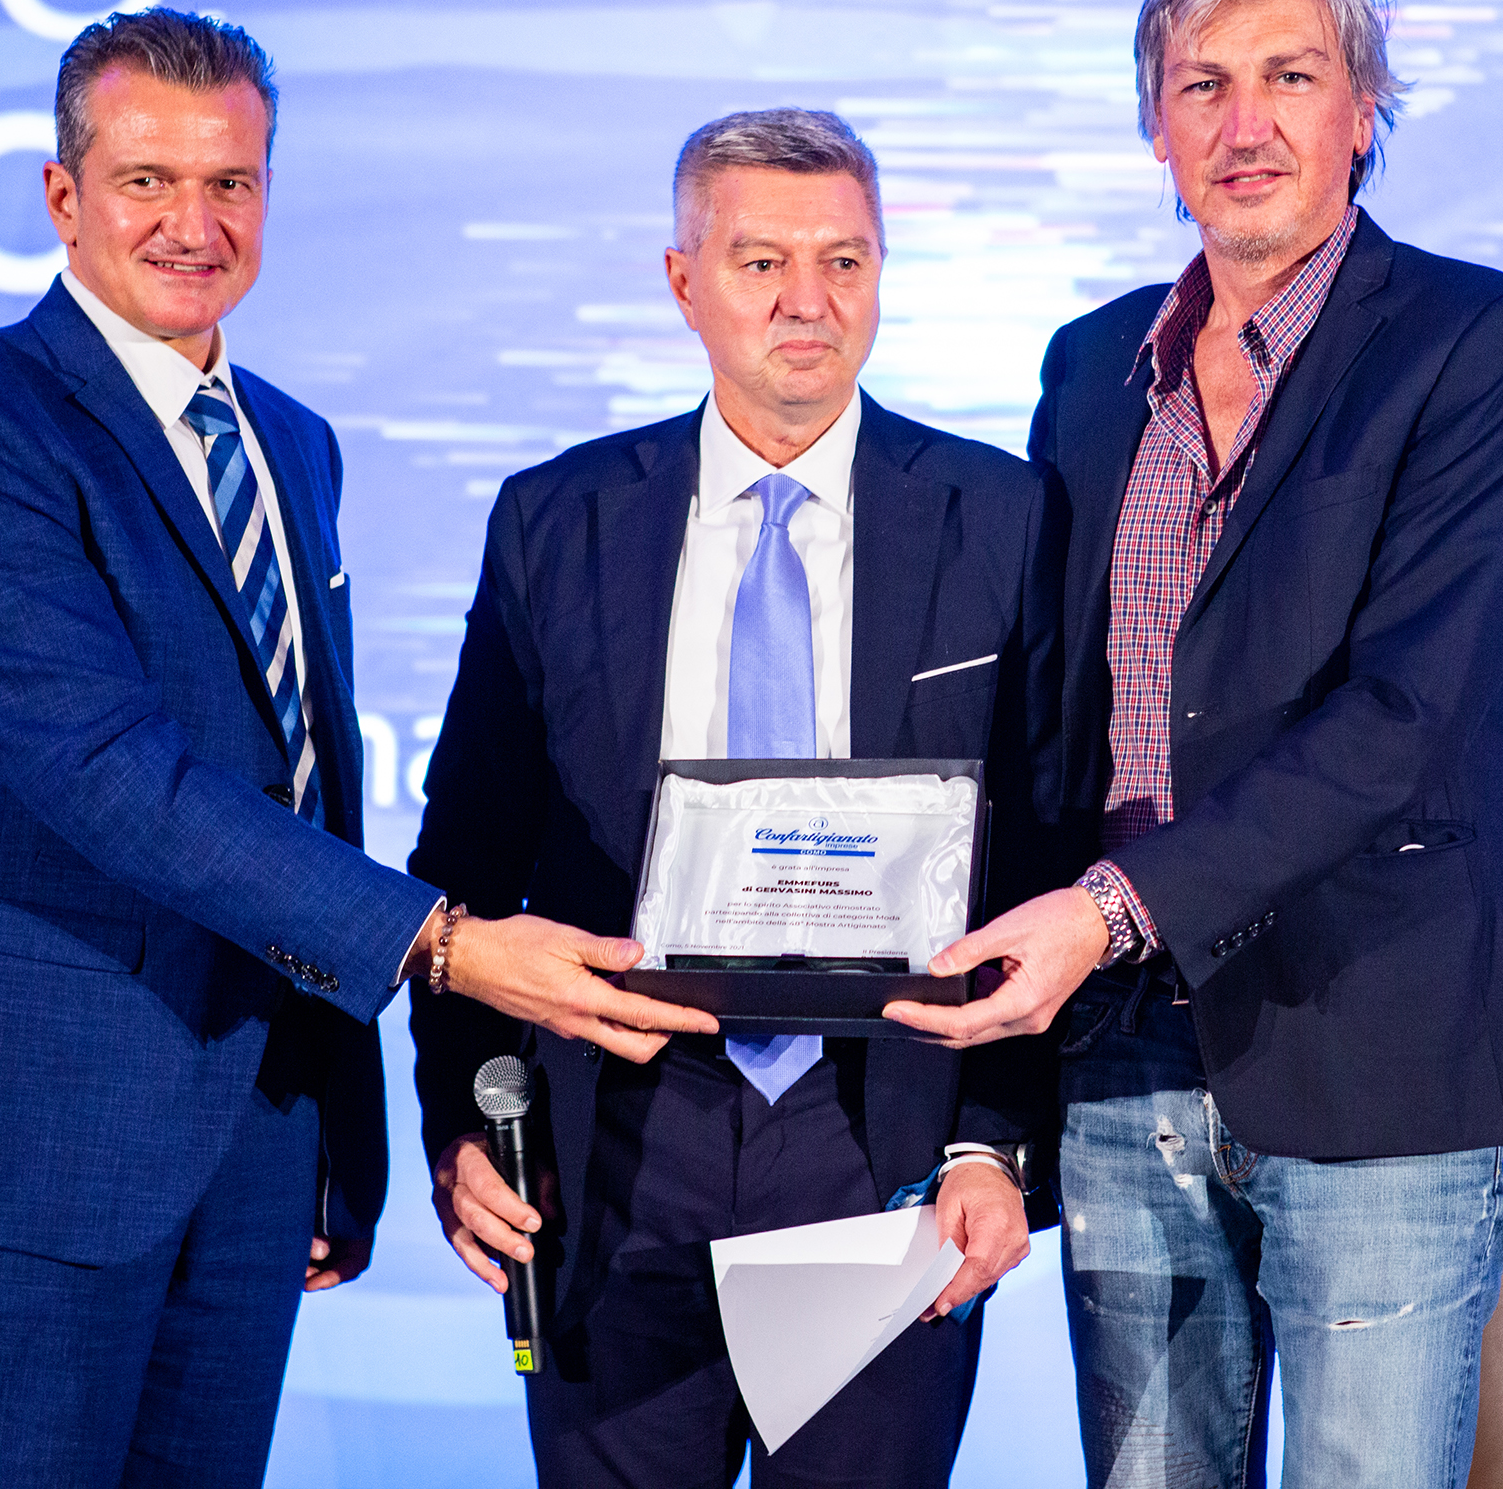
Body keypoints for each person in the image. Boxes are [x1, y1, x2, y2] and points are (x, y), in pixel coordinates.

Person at [0, 6, 707, 1489]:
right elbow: (117, 779)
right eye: (146, 181)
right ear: (62, 195)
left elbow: (303, 783)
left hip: (250, 1141)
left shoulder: (288, 442)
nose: (194, 224)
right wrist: (446, 946)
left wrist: (336, 1123)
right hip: (32, 1148)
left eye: (230, 183)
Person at [887, 0, 1503, 1487]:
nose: (1244, 123)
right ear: (1155, 124)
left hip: (1373, 1051)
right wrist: (992, 1100)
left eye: (1291, 76)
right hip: (1122, 1060)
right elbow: (1053, 738)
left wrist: (1110, 909)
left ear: (1365, 109)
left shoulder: (1485, 344)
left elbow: (1405, 718)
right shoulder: (1091, 368)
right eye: (1203, 84)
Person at [408, 108, 1061, 1489]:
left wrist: (994, 1144)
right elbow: (466, 854)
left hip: (881, 1143)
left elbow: (1041, 863)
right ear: (682, 280)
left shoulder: (1002, 518)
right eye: (762, 262)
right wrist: (465, 1121)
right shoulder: (556, 520)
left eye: (844, 261)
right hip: (609, 1149)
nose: (806, 302)